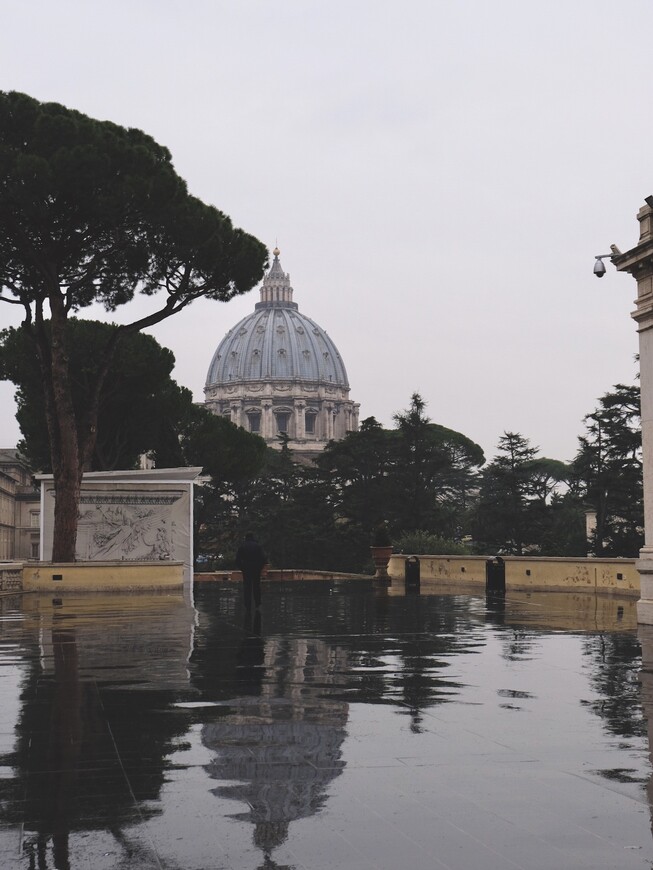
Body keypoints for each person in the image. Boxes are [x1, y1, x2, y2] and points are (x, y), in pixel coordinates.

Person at [235, 532, 268, 611]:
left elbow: (237, 560)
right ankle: (257, 604)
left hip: (246, 568)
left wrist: (242, 568)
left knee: (247, 587)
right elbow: (264, 559)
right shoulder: (258, 546)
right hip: (256, 569)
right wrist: (259, 567)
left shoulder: (242, 547)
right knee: (256, 586)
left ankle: (247, 605)